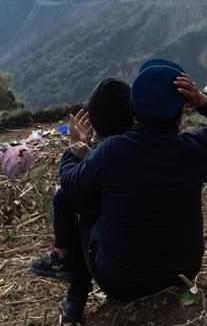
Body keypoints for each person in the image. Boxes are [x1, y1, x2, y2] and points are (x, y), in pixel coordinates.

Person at [56, 59, 207, 323]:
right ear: (182, 111)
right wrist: (203, 100)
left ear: (134, 109)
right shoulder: (195, 150)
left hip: (120, 281)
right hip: (183, 272)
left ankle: (76, 294)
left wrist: (75, 149)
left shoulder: (112, 151)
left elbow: (70, 183)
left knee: (83, 205)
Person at [29, 77, 134, 283]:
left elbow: (68, 183)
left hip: (122, 275)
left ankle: (64, 262)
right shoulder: (156, 144)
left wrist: (75, 145)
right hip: (178, 264)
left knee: (73, 199)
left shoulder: (106, 154)